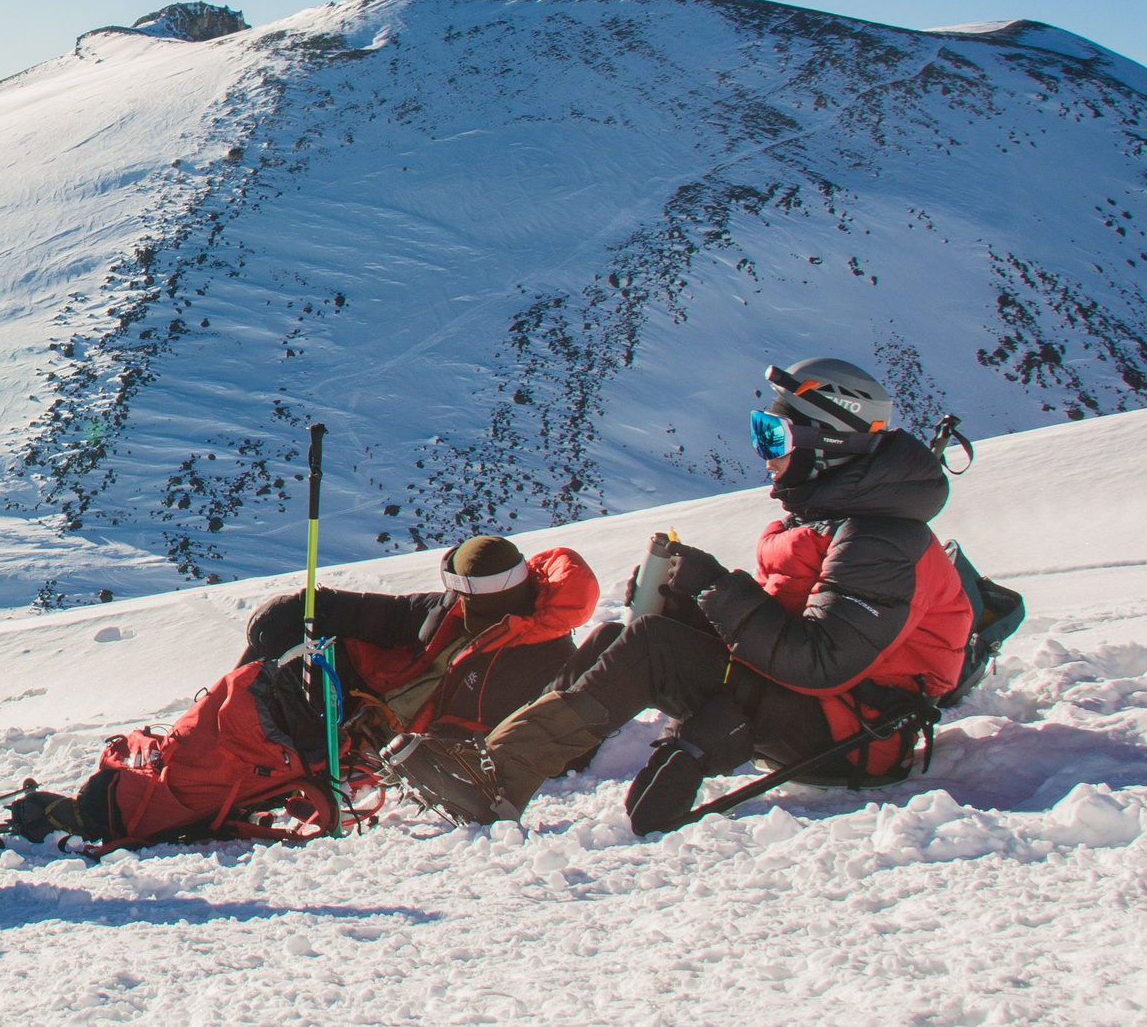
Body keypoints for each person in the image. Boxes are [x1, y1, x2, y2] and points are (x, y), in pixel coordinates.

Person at [386, 357, 976, 834]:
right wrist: (687, 600)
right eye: (760, 431)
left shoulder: (879, 540)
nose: (764, 452)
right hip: (815, 707)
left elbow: (819, 661)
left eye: (773, 435)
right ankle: (504, 758)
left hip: (855, 735)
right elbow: (784, 628)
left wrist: (716, 587)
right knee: (628, 633)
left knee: (652, 645)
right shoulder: (833, 521)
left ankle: (497, 776)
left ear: (829, 444)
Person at [238, 535, 599, 740]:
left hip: (388, 745)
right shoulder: (452, 612)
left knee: (263, 724)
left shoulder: (547, 659)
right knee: (272, 651)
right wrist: (308, 606)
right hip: (357, 702)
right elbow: (387, 615)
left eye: (461, 591)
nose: (455, 599)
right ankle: (207, 729)